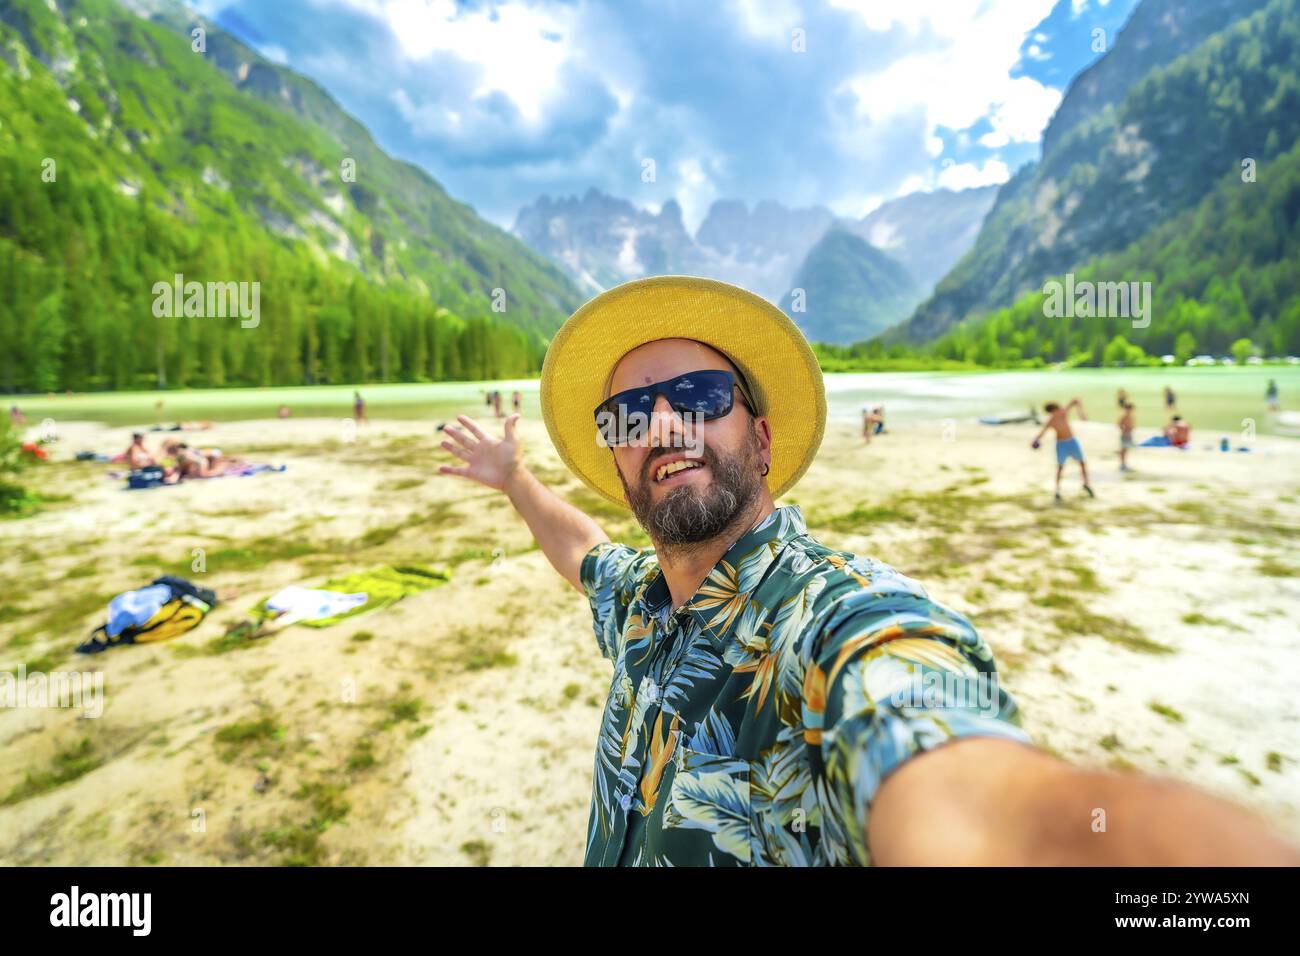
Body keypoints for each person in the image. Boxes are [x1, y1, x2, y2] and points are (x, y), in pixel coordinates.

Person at [436, 275, 1298, 867]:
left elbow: (951, 767)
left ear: (763, 439)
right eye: (629, 414)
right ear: (619, 455)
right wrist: (514, 479)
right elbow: (582, 553)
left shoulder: (833, 616)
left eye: (699, 397)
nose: (664, 426)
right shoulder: (638, 600)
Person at [1031, 398, 1094, 502]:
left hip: (1072, 441)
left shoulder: (1063, 413)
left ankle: (1086, 484)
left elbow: (1075, 400)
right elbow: (1042, 432)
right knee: (1060, 467)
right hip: (1061, 445)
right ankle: (1057, 490)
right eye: (1057, 408)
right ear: (1052, 411)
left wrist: (1080, 410)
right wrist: (1036, 440)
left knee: (1082, 463)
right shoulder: (1051, 421)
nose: (1060, 409)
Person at [1118, 401, 1136, 473]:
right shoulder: (1124, 416)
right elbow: (1119, 425)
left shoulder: (1131, 416)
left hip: (1129, 434)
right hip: (1125, 434)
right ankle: (1122, 464)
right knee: (1123, 450)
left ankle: (1124, 463)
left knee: (1126, 450)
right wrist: (1124, 429)